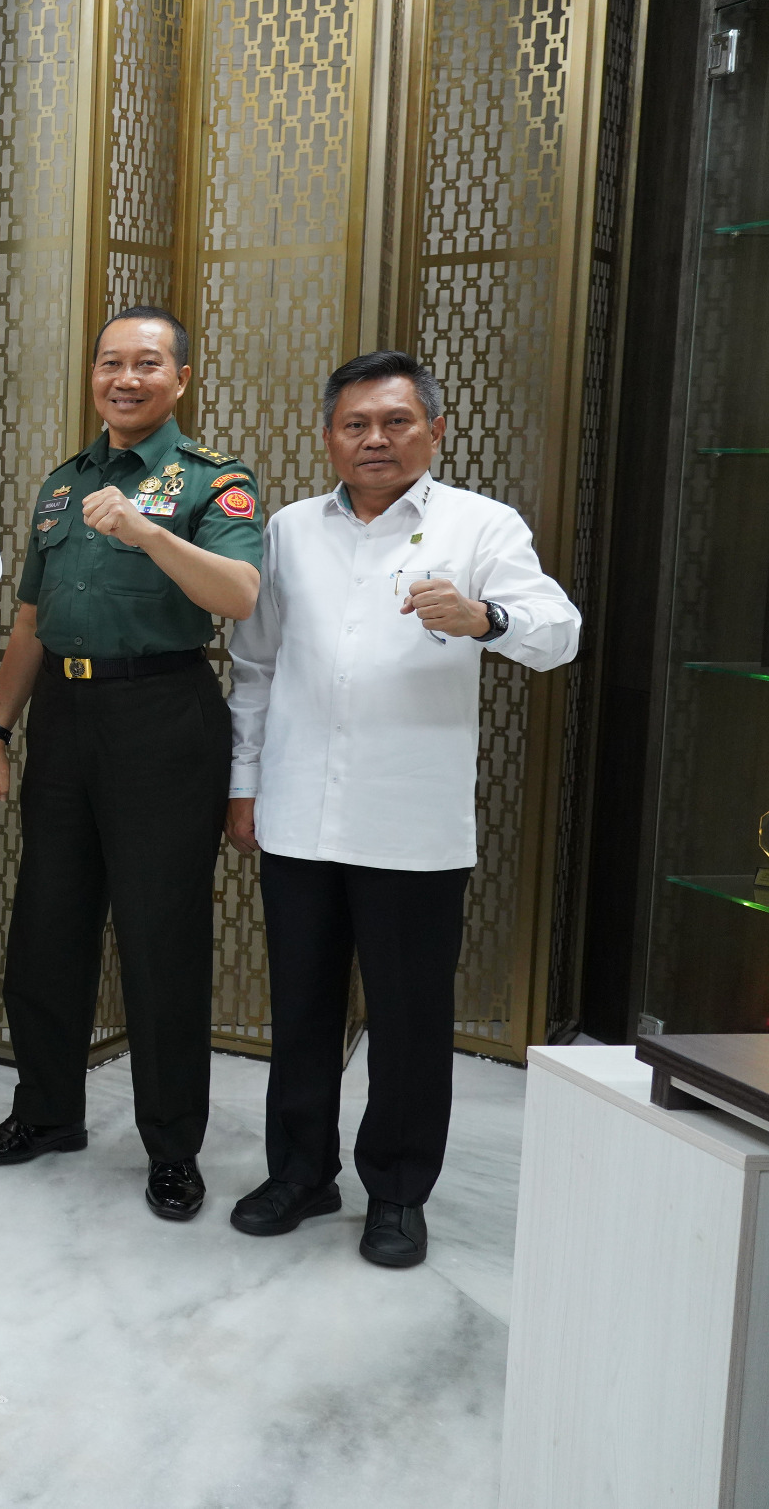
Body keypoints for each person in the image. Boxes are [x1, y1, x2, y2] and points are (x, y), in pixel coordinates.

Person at [225, 351, 577, 1267]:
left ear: (434, 430)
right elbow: (255, 665)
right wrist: (244, 784)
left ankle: (397, 1192)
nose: (375, 439)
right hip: (298, 812)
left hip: (410, 824)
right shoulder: (290, 530)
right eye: (355, 424)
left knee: (409, 1022)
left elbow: (560, 633)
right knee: (298, 1011)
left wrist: (486, 620)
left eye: (395, 422)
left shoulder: (480, 525)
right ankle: (300, 1172)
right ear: (330, 436)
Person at [0, 306, 262, 1222]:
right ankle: (47, 1112)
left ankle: (172, 1149)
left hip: (163, 716)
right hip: (64, 716)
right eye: (109, 363)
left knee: (160, 941)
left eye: (145, 364)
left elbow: (241, 596)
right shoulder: (63, 483)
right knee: (45, 929)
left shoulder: (215, 481)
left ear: (179, 379)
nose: (123, 378)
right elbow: (28, 623)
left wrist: (147, 532)